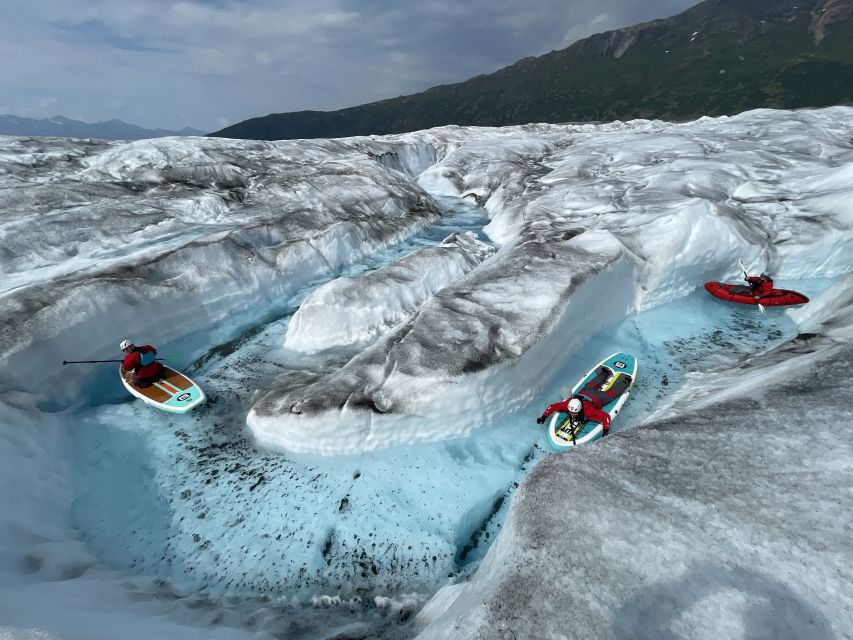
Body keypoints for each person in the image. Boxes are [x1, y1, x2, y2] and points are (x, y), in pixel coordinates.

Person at [536, 367, 632, 437]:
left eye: (573, 413)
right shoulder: (567, 404)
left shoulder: (588, 411)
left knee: (610, 394)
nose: (572, 414)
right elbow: (552, 406)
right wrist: (544, 416)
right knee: (591, 384)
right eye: (571, 412)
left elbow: (605, 417)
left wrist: (605, 430)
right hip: (585, 392)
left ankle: (625, 382)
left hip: (597, 398)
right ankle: (604, 374)